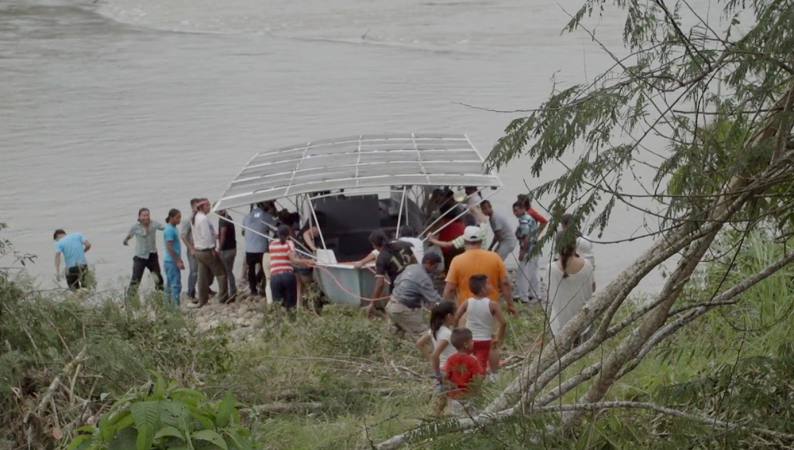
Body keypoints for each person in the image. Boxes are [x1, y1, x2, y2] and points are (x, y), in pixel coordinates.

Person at [443, 226, 516, 315]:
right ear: (481, 241)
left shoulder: (457, 260)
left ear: (465, 241)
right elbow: (505, 283)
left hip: (466, 309)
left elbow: (450, 289)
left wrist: (444, 310)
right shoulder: (495, 257)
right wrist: (510, 305)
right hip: (491, 309)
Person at [453, 274, 506, 374]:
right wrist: (499, 338)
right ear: (483, 288)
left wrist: (456, 332)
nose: (491, 286)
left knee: (467, 362)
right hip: (484, 341)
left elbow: (456, 317)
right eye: (488, 284)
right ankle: (494, 375)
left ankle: (466, 378)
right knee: (486, 359)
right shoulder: (492, 304)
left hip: (468, 340)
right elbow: (503, 323)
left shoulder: (467, 302)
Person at [548, 231, 595, 336]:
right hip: (583, 323)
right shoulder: (588, 265)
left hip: (559, 326)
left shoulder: (550, 269)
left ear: (557, 247)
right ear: (575, 246)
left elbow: (550, 294)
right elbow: (593, 288)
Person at [386, 253, 443, 339]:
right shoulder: (424, 278)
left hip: (390, 305)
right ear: (429, 263)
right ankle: (430, 352)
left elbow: (396, 282)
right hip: (402, 309)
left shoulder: (411, 267)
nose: (435, 270)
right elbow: (434, 299)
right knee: (423, 334)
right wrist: (448, 307)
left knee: (397, 335)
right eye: (435, 267)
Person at [415, 301, 457, 415]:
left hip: (443, 369)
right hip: (450, 370)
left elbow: (419, 343)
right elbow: (435, 355)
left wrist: (430, 359)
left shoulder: (434, 330)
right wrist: (436, 371)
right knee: (453, 398)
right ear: (449, 316)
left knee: (441, 400)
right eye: (455, 313)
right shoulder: (447, 334)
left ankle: (433, 420)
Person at [367, 229, 417, 318]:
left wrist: (372, 303)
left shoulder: (381, 258)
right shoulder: (403, 244)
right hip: (414, 284)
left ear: (374, 245)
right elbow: (414, 260)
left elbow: (380, 284)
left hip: (399, 289)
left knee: (393, 314)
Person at [268, 225, 315, 310]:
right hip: (287, 276)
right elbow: (293, 260)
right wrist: (307, 262)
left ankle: (279, 322)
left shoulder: (271, 244)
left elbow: (279, 258)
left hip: (274, 277)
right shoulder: (289, 243)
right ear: (289, 235)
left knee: (277, 306)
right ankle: (291, 320)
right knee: (291, 306)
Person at [193, 199, 229, 306]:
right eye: (207, 206)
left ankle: (202, 300)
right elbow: (206, 236)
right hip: (206, 250)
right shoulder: (203, 219)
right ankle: (223, 297)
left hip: (198, 250)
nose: (209, 207)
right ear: (202, 207)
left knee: (202, 277)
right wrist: (213, 248)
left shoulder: (195, 218)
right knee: (221, 273)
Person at [123, 207, 164, 299]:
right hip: (140, 257)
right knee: (136, 279)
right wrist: (125, 241)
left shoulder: (154, 224)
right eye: (144, 215)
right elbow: (130, 235)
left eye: (147, 215)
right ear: (139, 217)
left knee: (158, 277)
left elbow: (163, 227)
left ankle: (160, 296)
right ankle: (130, 300)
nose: (146, 217)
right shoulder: (135, 227)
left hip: (152, 255)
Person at [444, 328, 485, 415]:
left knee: (458, 419)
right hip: (470, 396)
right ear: (466, 344)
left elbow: (445, 376)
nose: (473, 342)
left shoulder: (450, 359)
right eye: (471, 341)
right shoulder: (472, 360)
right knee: (473, 418)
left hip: (455, 397)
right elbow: (478, 378)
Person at [513, 201, 546, 303]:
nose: (515, 213)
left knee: (524, 273)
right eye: (513, 211)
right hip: (535, 249)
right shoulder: (530, 218)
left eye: (516, 210)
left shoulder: (524, 220)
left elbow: (526, 237)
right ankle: (536, 294)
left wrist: (523, 251)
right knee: (534, 272)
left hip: (529, 250)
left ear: (523, 209)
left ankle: (523, 297)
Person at [242, 202, 275, 299]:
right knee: (265, 269)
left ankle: (253, 290)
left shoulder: (246, 217)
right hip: (262, 248)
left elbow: (243, 232)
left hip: (249, 249)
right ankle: (263, 287)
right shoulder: (266, 216)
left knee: (250, 270)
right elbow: (275, 228)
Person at [162, 209, 184, 306]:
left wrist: (180, 259)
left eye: (180, 217)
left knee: (170, 283)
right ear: (171, 218)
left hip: (171, 260)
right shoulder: (169, 230)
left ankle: (167, 304)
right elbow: (170, 247)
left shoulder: (174, 228)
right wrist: (177, 261)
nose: (179, 220)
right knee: (176, 284)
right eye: (177, 217)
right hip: (171, 261)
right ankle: (175, 306)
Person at [180, 198, 201, 302]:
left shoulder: (200, 218)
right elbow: (183, 236)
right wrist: (191, 249)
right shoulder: (188, 220)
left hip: (201, 248)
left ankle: (205, 289)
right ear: (192, 207)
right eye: (197, 206)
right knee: (194, 271)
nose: (199, 208)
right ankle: (191, 292)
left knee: (203, 270)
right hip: (192, 249)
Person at [217, 209, 238, 301]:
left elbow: (223, 234)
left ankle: (232, 291)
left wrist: (219, 248)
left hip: (226, 250)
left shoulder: (222, 220)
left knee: (227, 272)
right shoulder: (229, 218)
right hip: (233, 248)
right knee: (229, 270)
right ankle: (232, 290)